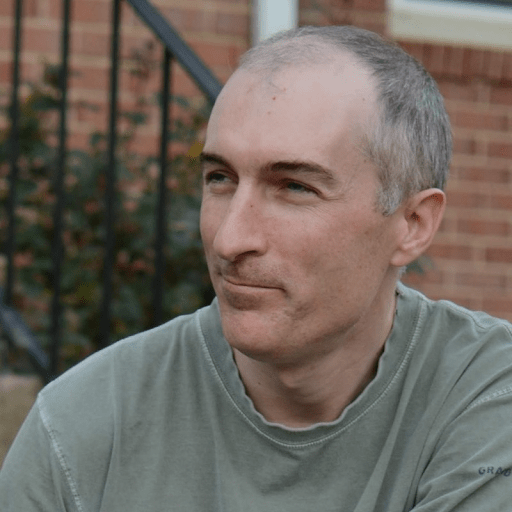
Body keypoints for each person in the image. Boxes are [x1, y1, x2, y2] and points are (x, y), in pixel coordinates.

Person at [1, 25, 512, 511]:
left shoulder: (485, 396)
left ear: (413, 223)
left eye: (294, 187)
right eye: (220, 178)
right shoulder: (82, 427)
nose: (231, 239)